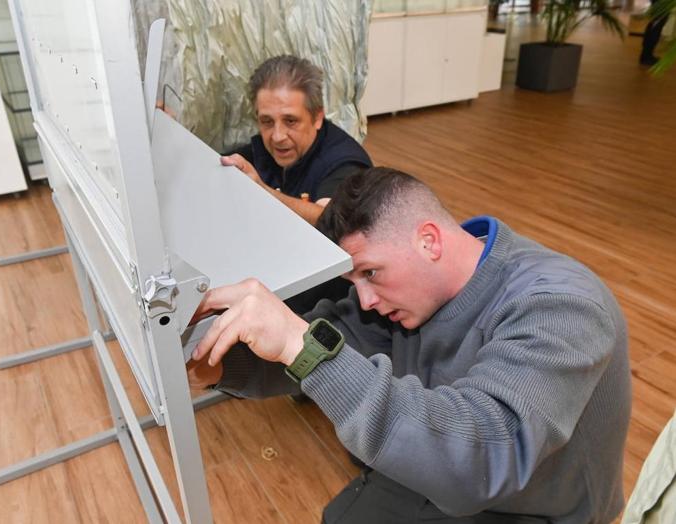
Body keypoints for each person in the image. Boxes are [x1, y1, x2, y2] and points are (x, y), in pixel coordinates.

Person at [188, 167, 631, 522]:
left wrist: (300, 344)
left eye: (371, 273)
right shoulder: (404, 298)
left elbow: (487, 455)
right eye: (353, 280)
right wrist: (219, 361)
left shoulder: (560, 305)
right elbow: (330, 337)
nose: (364, 297)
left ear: (429, 241)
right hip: (446, 462)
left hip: (532, 504)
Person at [221, 55, 372, 225]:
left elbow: (326, 219)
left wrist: (261, 190)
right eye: (267, 121)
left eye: (290, 121)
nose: (278, 136)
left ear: (317, 117)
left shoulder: (345, 163)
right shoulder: (263, 150)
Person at [640, 0, 668, 66]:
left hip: (660, 4)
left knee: (655, 29)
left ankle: (648, 55)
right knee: (654, 30)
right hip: (660, 4)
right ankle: (645, 57)